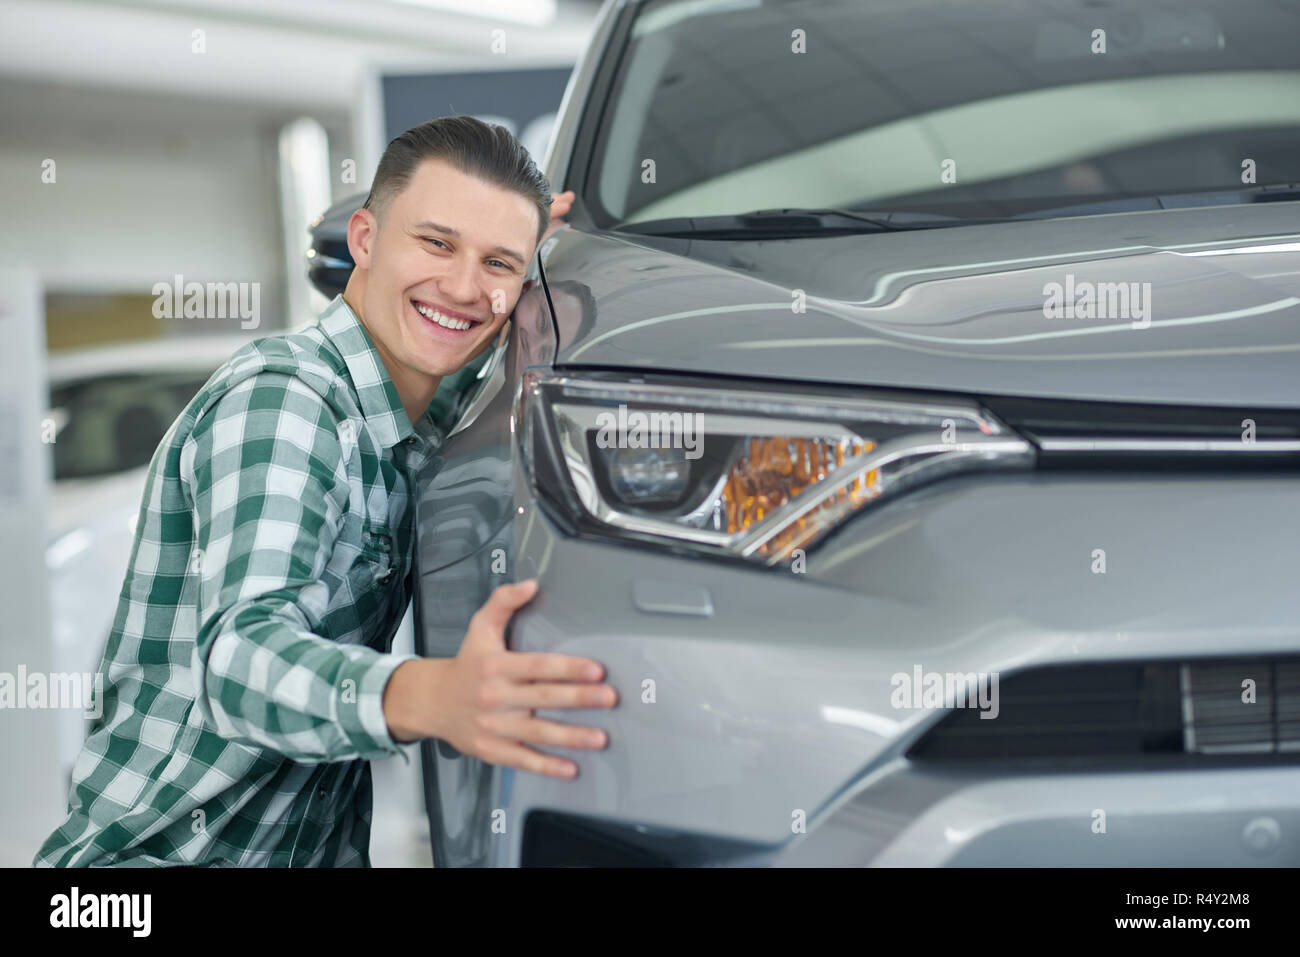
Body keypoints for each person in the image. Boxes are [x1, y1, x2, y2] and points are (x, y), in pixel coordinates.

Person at [34, 115, 615, 867]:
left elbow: (475, 337)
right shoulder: (288, 402)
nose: (464, 285)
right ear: (366, 240)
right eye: (436, 242)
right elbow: (238, 663)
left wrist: (547, 248)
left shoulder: (414, 414)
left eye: (496, 261)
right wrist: (432, 696)